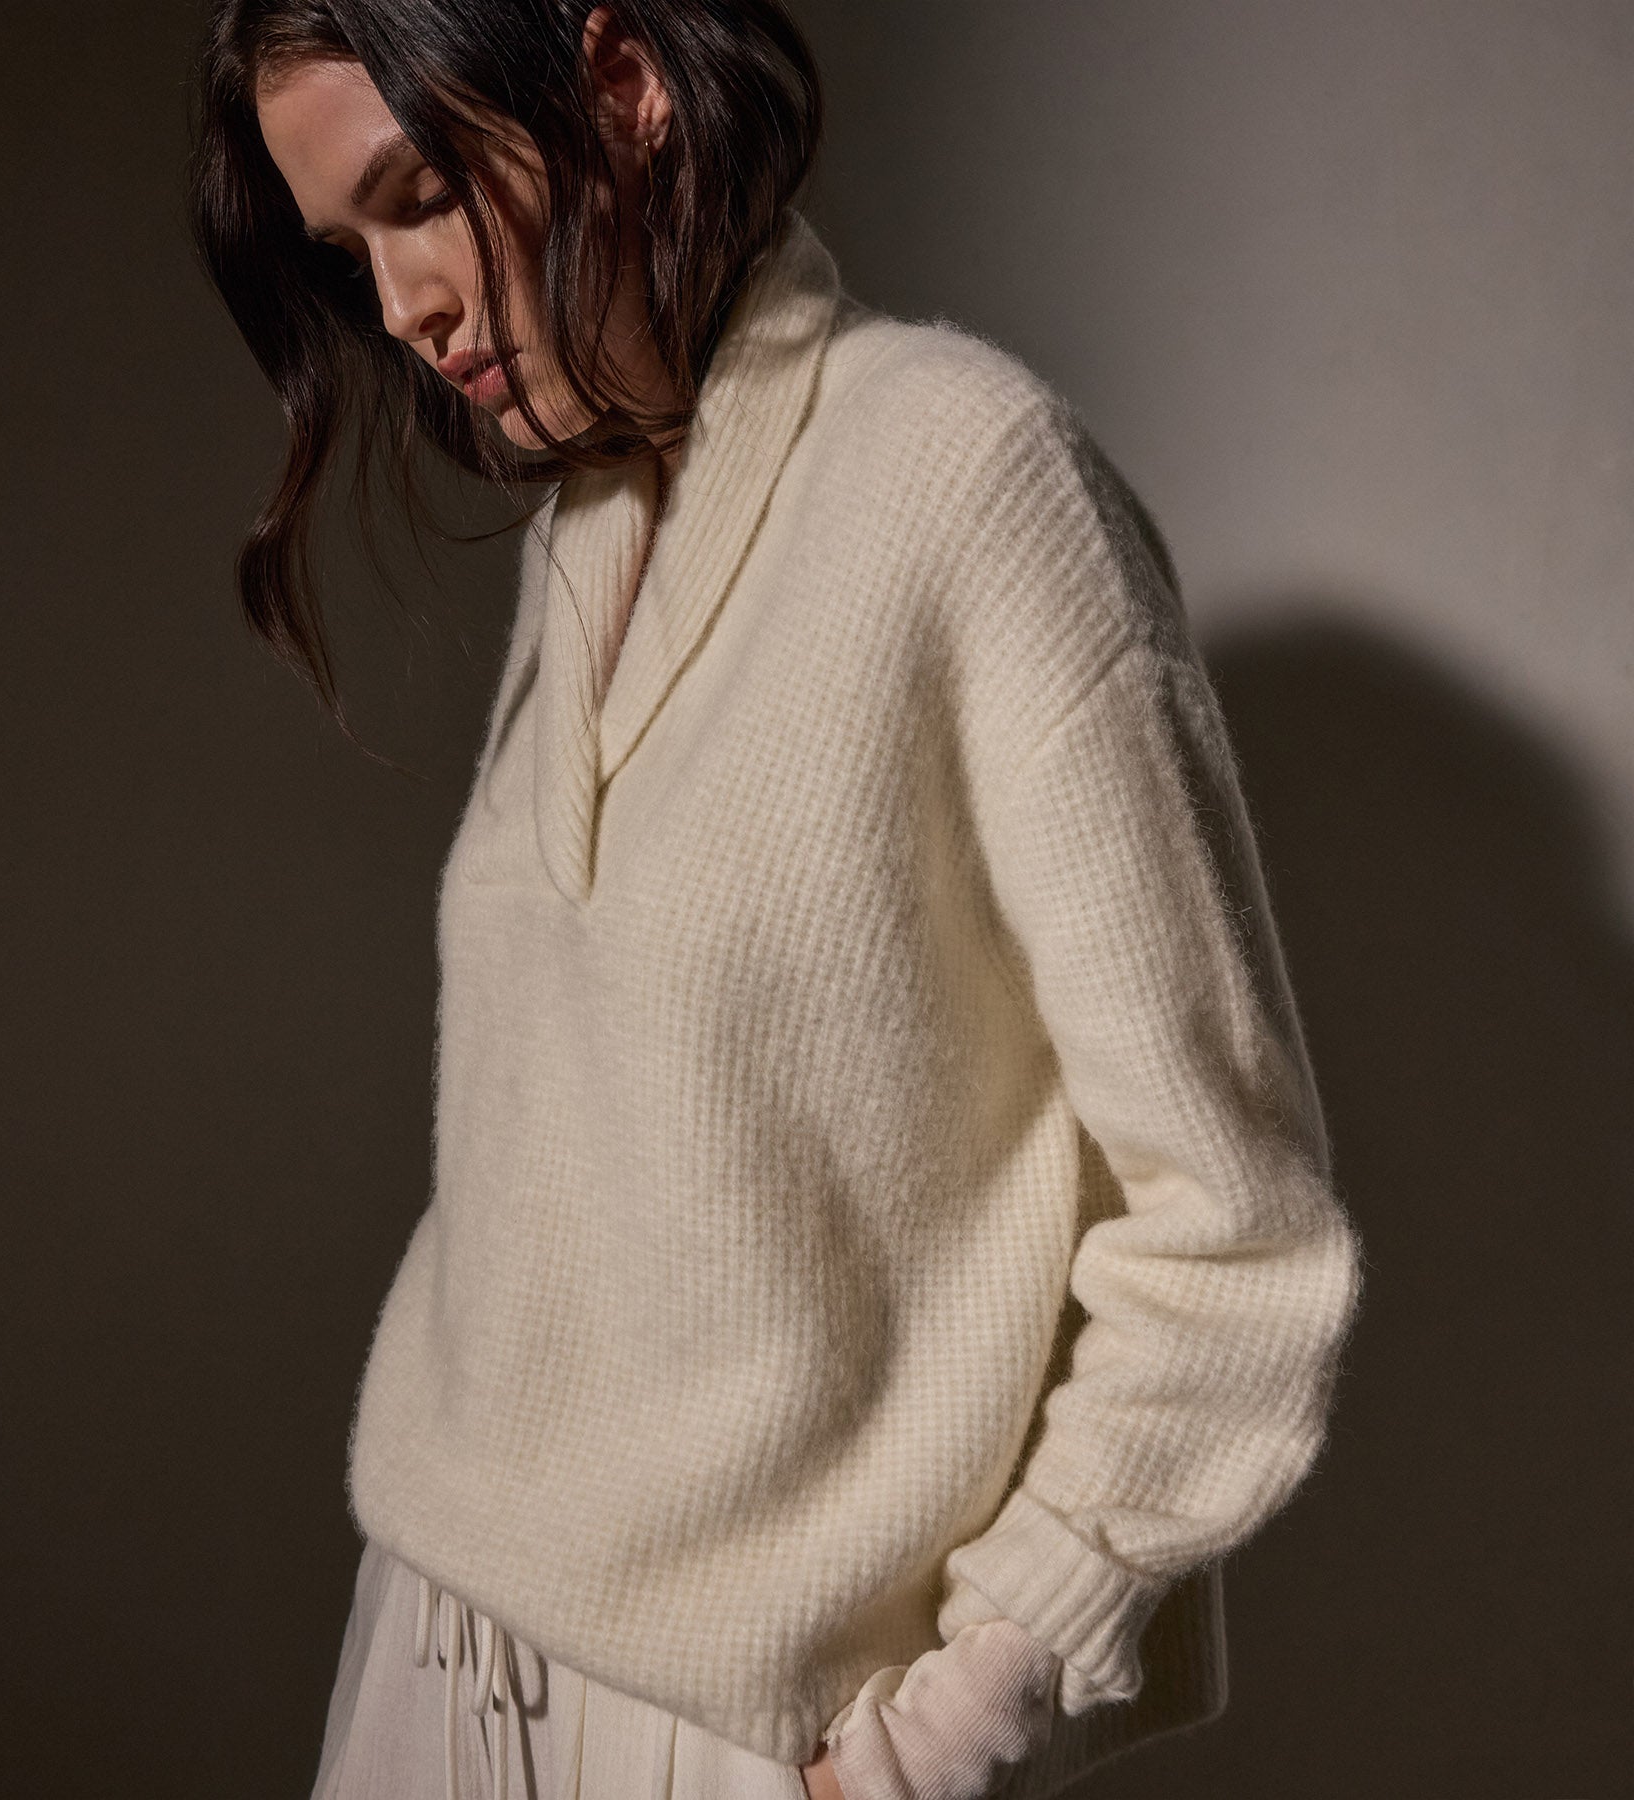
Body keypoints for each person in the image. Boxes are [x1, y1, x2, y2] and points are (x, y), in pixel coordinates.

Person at [188, 4, 1367, 1797]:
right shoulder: (591, 526)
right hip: (435, 1649)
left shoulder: (964, 475)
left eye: (418, 194)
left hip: (740, 1727)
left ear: (622, 83)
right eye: (351, 254)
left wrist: (966, 1713)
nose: (403, 306)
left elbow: (1236, 1235)